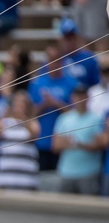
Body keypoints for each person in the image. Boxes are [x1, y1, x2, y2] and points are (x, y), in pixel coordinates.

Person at [28, 43, 77, 184]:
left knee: (59, 182)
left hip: (62, 141)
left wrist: (56, 104)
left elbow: (76, 113)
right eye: (50, 59)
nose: (53, 63)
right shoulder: (37, 83)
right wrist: (44, 104)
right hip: (41, 141)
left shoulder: (71, 83)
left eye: (56, 59)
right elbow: (30, 114)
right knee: (42, 181)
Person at [52, 84, 105, 195]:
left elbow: (99, 145)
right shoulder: (64, 118)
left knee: (88, 208)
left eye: (82, 96)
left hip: (88, 172)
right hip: (66, 172)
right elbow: (55, 146)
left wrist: (78, 144)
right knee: (64, 209)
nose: (80, 99)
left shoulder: (96, 119)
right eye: (77, 96)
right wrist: (69, 143)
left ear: (88, 97)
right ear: (72, 97)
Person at [0, 89, 40, 190]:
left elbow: (33, 136)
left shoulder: (32, 122)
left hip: (25, 174)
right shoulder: (4, 122)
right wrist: (3, 115)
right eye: (17, 102)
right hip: (5, 174)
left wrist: (24, 120)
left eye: (22, 102)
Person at [58, 18, 101, 90]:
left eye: (72, 38)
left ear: (77, 38)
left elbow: (96, 84)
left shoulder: (89, 58)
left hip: (85, 97)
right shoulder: (57, 59)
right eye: (67, 38)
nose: (69, 42)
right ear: (61, 39)